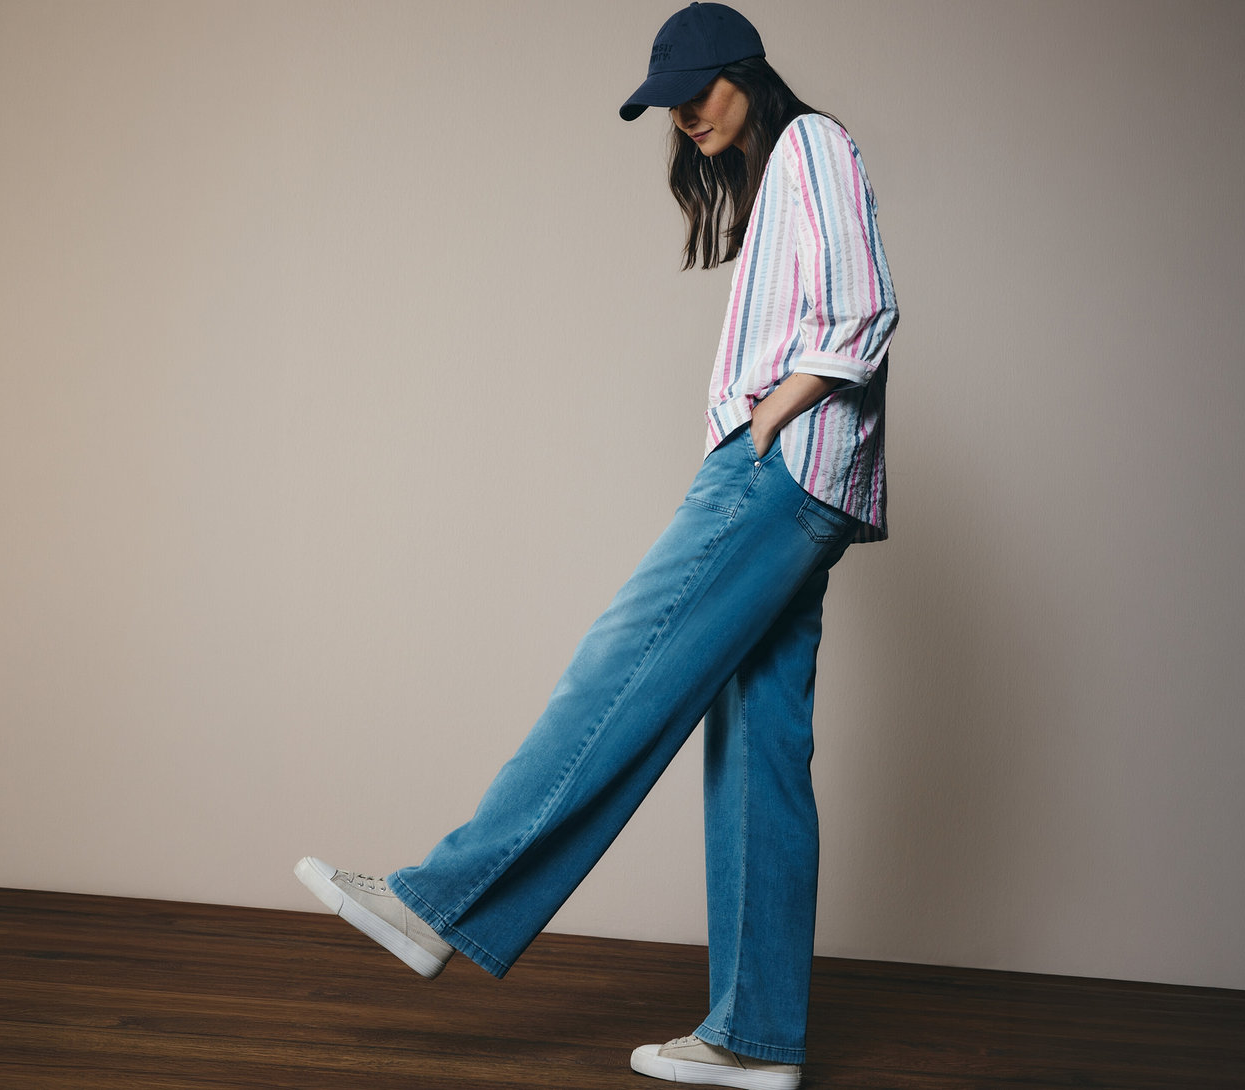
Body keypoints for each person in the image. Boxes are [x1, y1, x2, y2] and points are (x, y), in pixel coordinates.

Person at [295, 4, 897, 1087]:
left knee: (621, 662)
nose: (684, 114)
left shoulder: (811, 143)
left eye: (699, 90)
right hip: (814, 484)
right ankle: (755, 1039)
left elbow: (862, 305)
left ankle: (442, 901)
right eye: (669, 100)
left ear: (746, 75)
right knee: (758, 750)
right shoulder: (775, 170)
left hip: (779, 467)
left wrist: (771, 414)